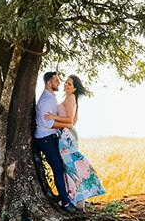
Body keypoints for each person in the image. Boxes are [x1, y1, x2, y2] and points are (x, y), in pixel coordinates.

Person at [44, 74, 107, 209]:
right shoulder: (70, 98)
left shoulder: (70, 99)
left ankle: (78, 200)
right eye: (66, 82)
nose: (66, 85)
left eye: (69, 84)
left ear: (74, 89)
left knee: (71, 167)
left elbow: (70, 122)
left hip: (67, 136)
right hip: (65, 135)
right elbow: (73, 119)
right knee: (70, 167)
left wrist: (52, 117)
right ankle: (79, 198)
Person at [34, 70, 74, 211]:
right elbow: (48, 124)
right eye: (56, 81)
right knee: (57, 168)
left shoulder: (51, 97)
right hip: (45, 138)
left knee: (62, 167)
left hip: (50, 137)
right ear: (49, 83)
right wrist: (66, 124)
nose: (59, 83)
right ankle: (65, 203)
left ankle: (70, 198)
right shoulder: (46, 101)